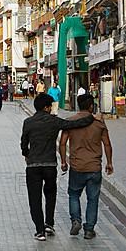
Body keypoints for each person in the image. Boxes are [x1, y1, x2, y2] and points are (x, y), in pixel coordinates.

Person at [20, 93, 96, 241]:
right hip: (50, 165)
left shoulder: (28, 122)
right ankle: (49, 223)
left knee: (34, 198)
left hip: (33, 166)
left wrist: (27, 154)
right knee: (50, 195)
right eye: (51, 106)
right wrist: (90, 117)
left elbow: (23, 143)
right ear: (47, 107)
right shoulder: (54, 121)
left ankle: (40, 231)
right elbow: (72, 124)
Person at [60, 94, 114, 240]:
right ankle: (89, 229)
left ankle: (76, 220)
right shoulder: (99, 123)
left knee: (73, 194)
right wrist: (109, 163)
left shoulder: (70, 122)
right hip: (94, 167)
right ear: (91, 106)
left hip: (77, 166)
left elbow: (63, 143)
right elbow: (107, 144)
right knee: (93, 199)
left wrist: (64, 162)